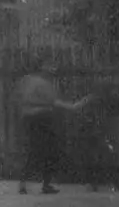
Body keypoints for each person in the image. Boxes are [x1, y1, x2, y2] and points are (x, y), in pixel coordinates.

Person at [14, 61, 92, 195]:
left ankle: (24, 184)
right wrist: (75, 106)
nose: (53, 73)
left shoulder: (26, 81)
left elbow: (19, 99)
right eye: (51, 70)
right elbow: (54, 102)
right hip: (42, 119)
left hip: (28, 119)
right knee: (48, 151)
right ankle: (45, 184)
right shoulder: (43, 84)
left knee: (33, 151)